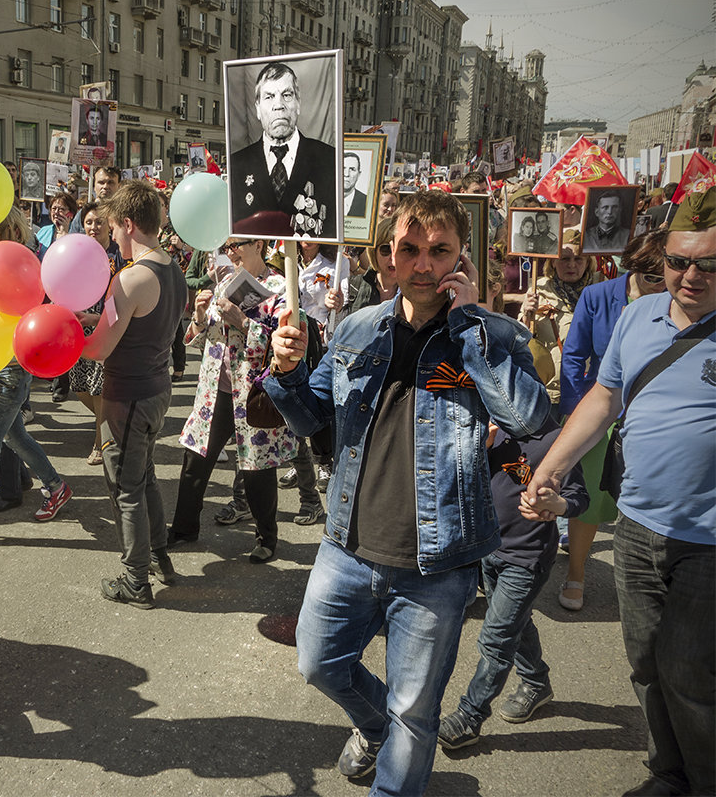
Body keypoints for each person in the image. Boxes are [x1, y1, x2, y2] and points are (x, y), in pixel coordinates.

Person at [263, 190, 548, 795]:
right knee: (318, 663)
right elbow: (314, 419)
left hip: (437, 563)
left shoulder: (495, 334)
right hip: (346, 546)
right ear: (389, 259)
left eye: (439, 251)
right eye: (410, 250)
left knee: (416, 715)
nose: (424, 264)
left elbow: (526, 420)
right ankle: (375, 726)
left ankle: (395, 757)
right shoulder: (357, 328)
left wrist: (471, 329)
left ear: (462, 258)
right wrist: (287, 374)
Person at [522, 188, 715, 797]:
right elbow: (602, 399)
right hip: (635, 528)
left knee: (690, 673)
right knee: (646, 662)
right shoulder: (637, 315)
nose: (689, 276)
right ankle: (667, 773)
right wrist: (550, 468)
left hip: (708, 541)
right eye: (679, 262)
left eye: (707, 264)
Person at [437, 418, 588, 750]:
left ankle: (470, 716)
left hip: (527, 558)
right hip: (488, 549)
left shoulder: (556, 440)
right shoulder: (493, 428)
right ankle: (536, 682)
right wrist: (480, 448)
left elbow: (580, 497)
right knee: (515, 622)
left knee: (496, 638)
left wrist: (558, 505)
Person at [80, 180, 187, 609]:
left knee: (125, 486)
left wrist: (74, 332)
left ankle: (134, 579)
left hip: (128, 395)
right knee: (144, 478)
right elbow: (139, 322)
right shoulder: (170, 268)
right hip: (156, 388)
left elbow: (99, 348)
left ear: (127, 224)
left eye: (113, 228)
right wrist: (95, 314)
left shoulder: (131, 277)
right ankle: (159, 556)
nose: (114, 238)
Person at [555, 231, 667, 611]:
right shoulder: (598, 296)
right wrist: (575, 410)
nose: (662, 283)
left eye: (666, 273)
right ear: (633, 268)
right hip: (602, 414)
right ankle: (576, 573)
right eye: (653, 276)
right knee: (591, 499)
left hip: (653, 419)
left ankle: (651, 582)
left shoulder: (683, 305)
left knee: (644, 503)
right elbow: (574, 355)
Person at [167, 236, 297, 562]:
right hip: (215, 389)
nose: (231, 252)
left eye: (236, 244)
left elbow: (284, 341)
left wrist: (241, 320)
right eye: (227, 247)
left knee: (256, 467)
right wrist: (198, 315)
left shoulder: (280, 287)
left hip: (253, 393)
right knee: (195, 460)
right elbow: (199, 338)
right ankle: (184, 528)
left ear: (259, 245)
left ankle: (266, 537)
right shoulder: (225, 282)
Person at [0, 207, 73, 548]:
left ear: (6, 227)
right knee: (15, 437)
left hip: (12, 366)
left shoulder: (22, 261)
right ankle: (56, 487)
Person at [229, 62, 336, 238]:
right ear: (257, 108)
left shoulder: (328, 159)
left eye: (287, 95)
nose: (279, 105)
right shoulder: (238, 164)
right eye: (269, 96)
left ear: (298, 103)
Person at [519, 230, 604, 407]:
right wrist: (526, 315)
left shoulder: (601, 290)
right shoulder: (538, 289)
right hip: (547, 390)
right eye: (565, 259)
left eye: (578, 259)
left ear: (588, 262)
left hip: (587, 389)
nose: (571, 265)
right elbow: (521, 340)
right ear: (553, 262)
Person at [68, 201, 125, 464]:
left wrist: (97, 318)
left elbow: (122, 303)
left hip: (105, 324)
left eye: (99, 222)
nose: (93, 226)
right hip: (78, 324)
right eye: (89, 221)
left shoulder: (119, 255)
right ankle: (111, 420)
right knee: (80, 386)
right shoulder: (76, 252)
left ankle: (100, 444)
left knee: (98, 388)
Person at [67, 167, 120, 234]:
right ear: (94, 186)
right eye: (101, 182)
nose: (105, 186)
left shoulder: (125, 214)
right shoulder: (83, 214)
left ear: (119, 186)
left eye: (110, 182)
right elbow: (73, 241)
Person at [35, 193, 76, 258]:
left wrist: (64, 232)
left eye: (61, 209)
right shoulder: (44, 231)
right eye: (54, 208)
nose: (56, 212)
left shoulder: (76, 234)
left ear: (71, 214)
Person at [343, 152, 368, 218]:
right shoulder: (325, 196)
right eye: (343, 168)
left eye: (352, 169)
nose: (346, 174)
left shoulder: (367, 202)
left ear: (358, 174)